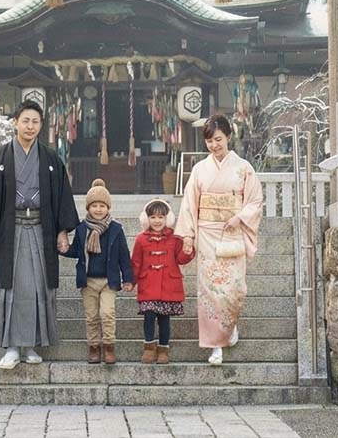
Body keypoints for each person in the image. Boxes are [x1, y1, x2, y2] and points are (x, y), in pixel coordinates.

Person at [0, 100, 79, 370]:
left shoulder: (51, 159)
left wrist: (63, 230)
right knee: (14, 288)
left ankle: (31, 346)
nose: (30, 126)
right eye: (25, 121)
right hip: (11, 231)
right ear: (15, 122)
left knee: (40, 287)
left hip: (42, 230)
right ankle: (13, 347)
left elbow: (61, 196)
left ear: (41, 126)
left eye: (35, 122)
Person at [175, 114, 263, 366]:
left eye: (218, 139)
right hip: (207, 234)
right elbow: (190, 204)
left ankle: (230, 327)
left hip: (232, 231)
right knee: (210, 293)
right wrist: (188, 235)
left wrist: (240, 217)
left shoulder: (243, 167)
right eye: (210, 141)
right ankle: (215, 346)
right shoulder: (201, 169)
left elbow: (255, 200)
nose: (214, 145)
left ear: (228, 137)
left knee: (235, 290)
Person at [60, 179, 134, 364]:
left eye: (102, 205)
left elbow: (124, 256)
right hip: (88, 280)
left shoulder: (116, 229)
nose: (99, 209)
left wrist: (128, 278)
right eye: (94, 205)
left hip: (109, 280)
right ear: (88, 208)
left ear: (108, 207)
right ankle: (94, 346)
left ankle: (109, 345)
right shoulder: (82, 228)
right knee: (91, 316)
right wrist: (63, 248)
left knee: (107, 313)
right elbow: (77, 250)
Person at [130, 198, 194, 365]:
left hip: (168, 285)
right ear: (146, 219)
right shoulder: (141, 239)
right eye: (153, 217)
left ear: (168, 219)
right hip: (148, 284)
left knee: (165, 318)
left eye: (161, 217)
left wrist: (188, 251)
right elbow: (136, 262)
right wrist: (131, 281)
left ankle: (164, 349)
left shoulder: (175, 238)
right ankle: (149, 348)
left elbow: (181, 258)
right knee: (149, 316)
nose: (157, 221)